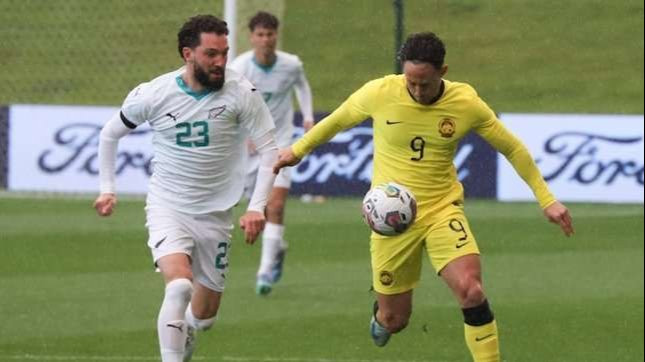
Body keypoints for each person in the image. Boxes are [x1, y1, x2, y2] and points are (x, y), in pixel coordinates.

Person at [273, 32, 574, 362]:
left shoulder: (465, 103)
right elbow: (338, 120)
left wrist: (547, 199)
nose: (416, 91)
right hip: (392, 221)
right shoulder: (380, 92)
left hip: (442, 209)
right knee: (395, 320)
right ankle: (381, 317)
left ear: (443, 71)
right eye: (410, 82)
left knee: (471, 290)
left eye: (425, 84)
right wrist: (297, 151)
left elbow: (512, 147)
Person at [93, 15, 278, 362]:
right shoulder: (154, 93)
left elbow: (270, 152)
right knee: (179, 286)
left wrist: (257, 206)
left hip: (216, 214)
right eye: (211, 54)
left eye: (224, 53)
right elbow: (109, 134)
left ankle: (187, 328)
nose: (221, 62)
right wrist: (108, 188)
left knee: (205, 317)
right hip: (168, 207)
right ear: (187, 53)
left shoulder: (242, 92)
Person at [230, 11, 315, 296]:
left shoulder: (291, 64)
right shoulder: (240, 67)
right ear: (252, 37)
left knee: (275, 206)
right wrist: (244, 134)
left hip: (281, 143)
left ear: (276, 35)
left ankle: (264, 271)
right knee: (256, 207)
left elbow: (302, 86)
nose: (265, 40)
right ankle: (278, 249)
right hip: (250, 146)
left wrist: (307, 116)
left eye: (270, 34)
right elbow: (232, 102)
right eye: (260, 35)